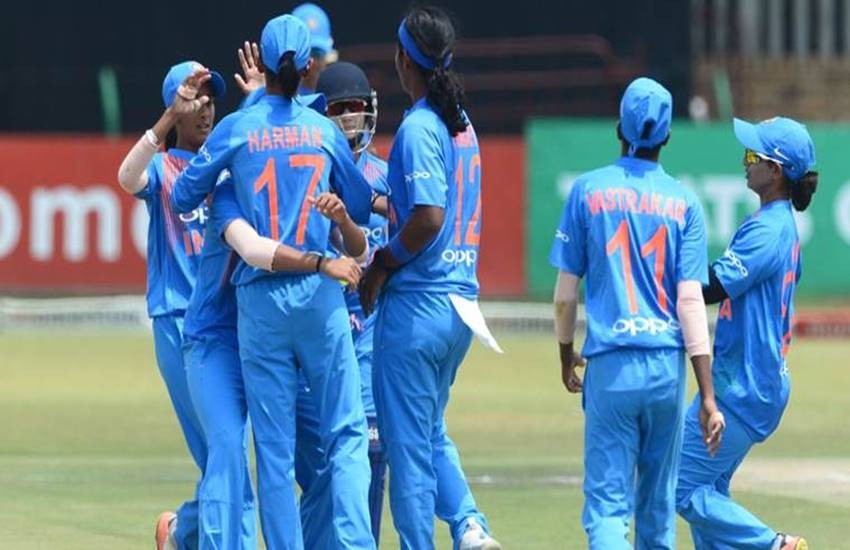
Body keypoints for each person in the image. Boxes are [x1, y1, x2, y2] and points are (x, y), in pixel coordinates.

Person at [170, 14, 376, 550]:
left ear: (260, 63)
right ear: (309, 68)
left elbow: (184, 194)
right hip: (320, 299)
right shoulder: (323, 130)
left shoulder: (237, 128)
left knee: (274, 450)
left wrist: (236, 164)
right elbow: (357, 205)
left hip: (260, 304)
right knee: (346, 433)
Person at [549, 77, 725, 549]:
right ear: (666, 137)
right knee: (657, 509)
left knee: (608, 509)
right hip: (667, 371)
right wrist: (707, 395)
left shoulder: (587, 191)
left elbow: (565, 296)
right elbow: (691, 303)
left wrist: (566, 355)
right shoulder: (685, 202)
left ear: (618, 128)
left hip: (611, 367)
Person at [359, 6, 501, 550]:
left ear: (403, 58)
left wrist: (382, 263)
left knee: (407, 452)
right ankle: (470, 528)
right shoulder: (460, 122)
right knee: (428, 430)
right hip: (459, 305)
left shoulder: (419, 127)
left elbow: (428, 218)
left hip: (419, 307)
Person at [676, 117, 817, 550]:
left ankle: (775, 545)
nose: (745, 162)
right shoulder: (777, 223)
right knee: (709, 489)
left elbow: (714, 287)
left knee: (679, 485)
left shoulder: (769, 229)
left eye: (753, 155)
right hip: (755, 381)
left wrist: (662, 278)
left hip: (744, 385)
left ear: (775, 171)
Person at [116, 60, 225, 550]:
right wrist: (164, 120)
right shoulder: (163, 170)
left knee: (227, 452)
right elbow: (127, 176)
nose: (205, 109)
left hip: (224, 324)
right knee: (219, 451)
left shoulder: (224, 165)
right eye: (194, 100)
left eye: (210, 100)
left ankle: (183, 532)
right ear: (174, 107)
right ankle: (188, 533)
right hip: (177, 319)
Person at [295, 60, 389, 548]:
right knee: (320, 470)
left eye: (357, 108)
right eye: (340, 110)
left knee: (371, 451)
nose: (351, 120)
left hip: (368, 334)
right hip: (318, 331)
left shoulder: (386, 176)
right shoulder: (305, 167)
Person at [292, 2, 338, 93]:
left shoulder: (337, 95)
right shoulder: (277, 97)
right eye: (305, 53)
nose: (311, 61)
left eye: (317, 53)